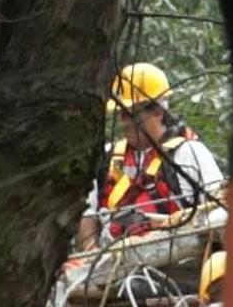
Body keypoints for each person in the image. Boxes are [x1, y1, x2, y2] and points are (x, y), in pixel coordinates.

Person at [76, 63, 224, 252]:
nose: (124, 122)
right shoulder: (108, 158)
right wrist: (92, 258)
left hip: (176, 261)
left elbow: (218, 210)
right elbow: (87, 211)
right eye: (121, 114)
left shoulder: (188, 153)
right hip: (112, 264)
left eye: (131, 114)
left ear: (158, 112)